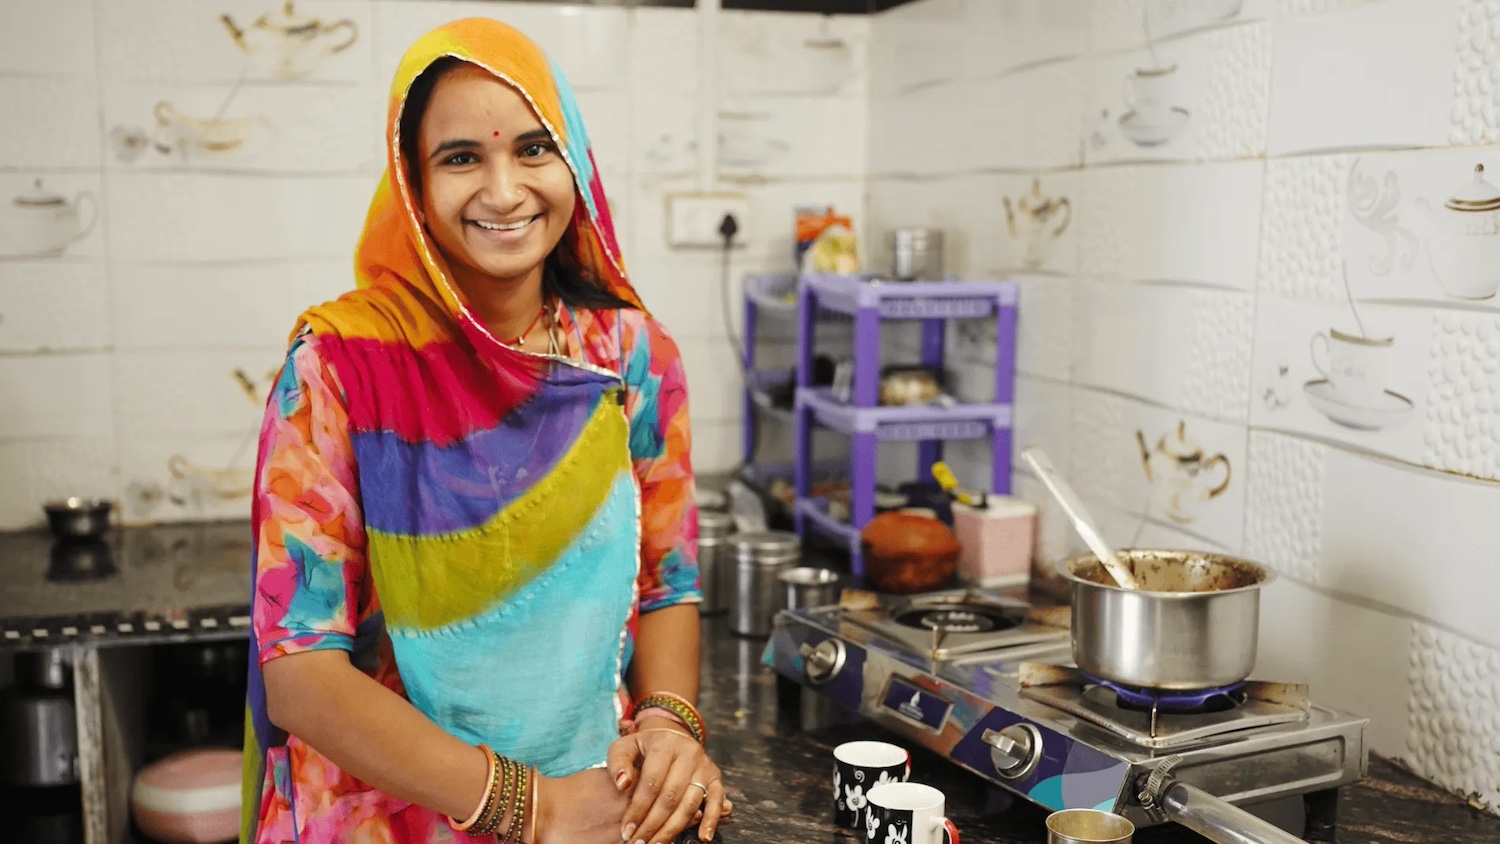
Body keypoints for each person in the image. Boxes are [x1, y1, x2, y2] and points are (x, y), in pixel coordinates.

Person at [241, 17, 728, 844]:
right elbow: (302, 671)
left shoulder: (632, 358)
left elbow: (666, 584)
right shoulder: (340, 367)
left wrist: (669, 727)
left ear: (573, 162)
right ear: (414, 185)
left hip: (599, 800)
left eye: (535, 150)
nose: (505, 191)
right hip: (383, 817)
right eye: (462, 157)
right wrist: (533, 809)